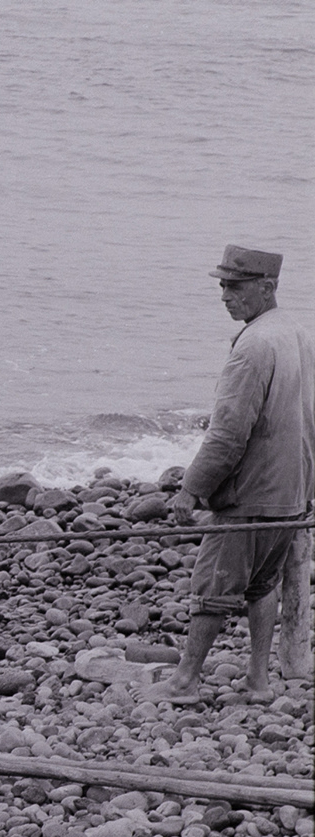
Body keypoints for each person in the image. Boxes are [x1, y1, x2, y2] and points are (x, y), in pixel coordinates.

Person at [151, 246, 315, 704]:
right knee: (263, 583)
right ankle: (258, 681)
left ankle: (185, 681)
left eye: (235, 286)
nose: (225, 295)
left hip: (252, 493)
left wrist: (192, 489)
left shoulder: (254, 345)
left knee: (213, 586)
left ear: (267, 287)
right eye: (223, 286)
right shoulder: (296, 332)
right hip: (292, 490)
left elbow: (227, 434)